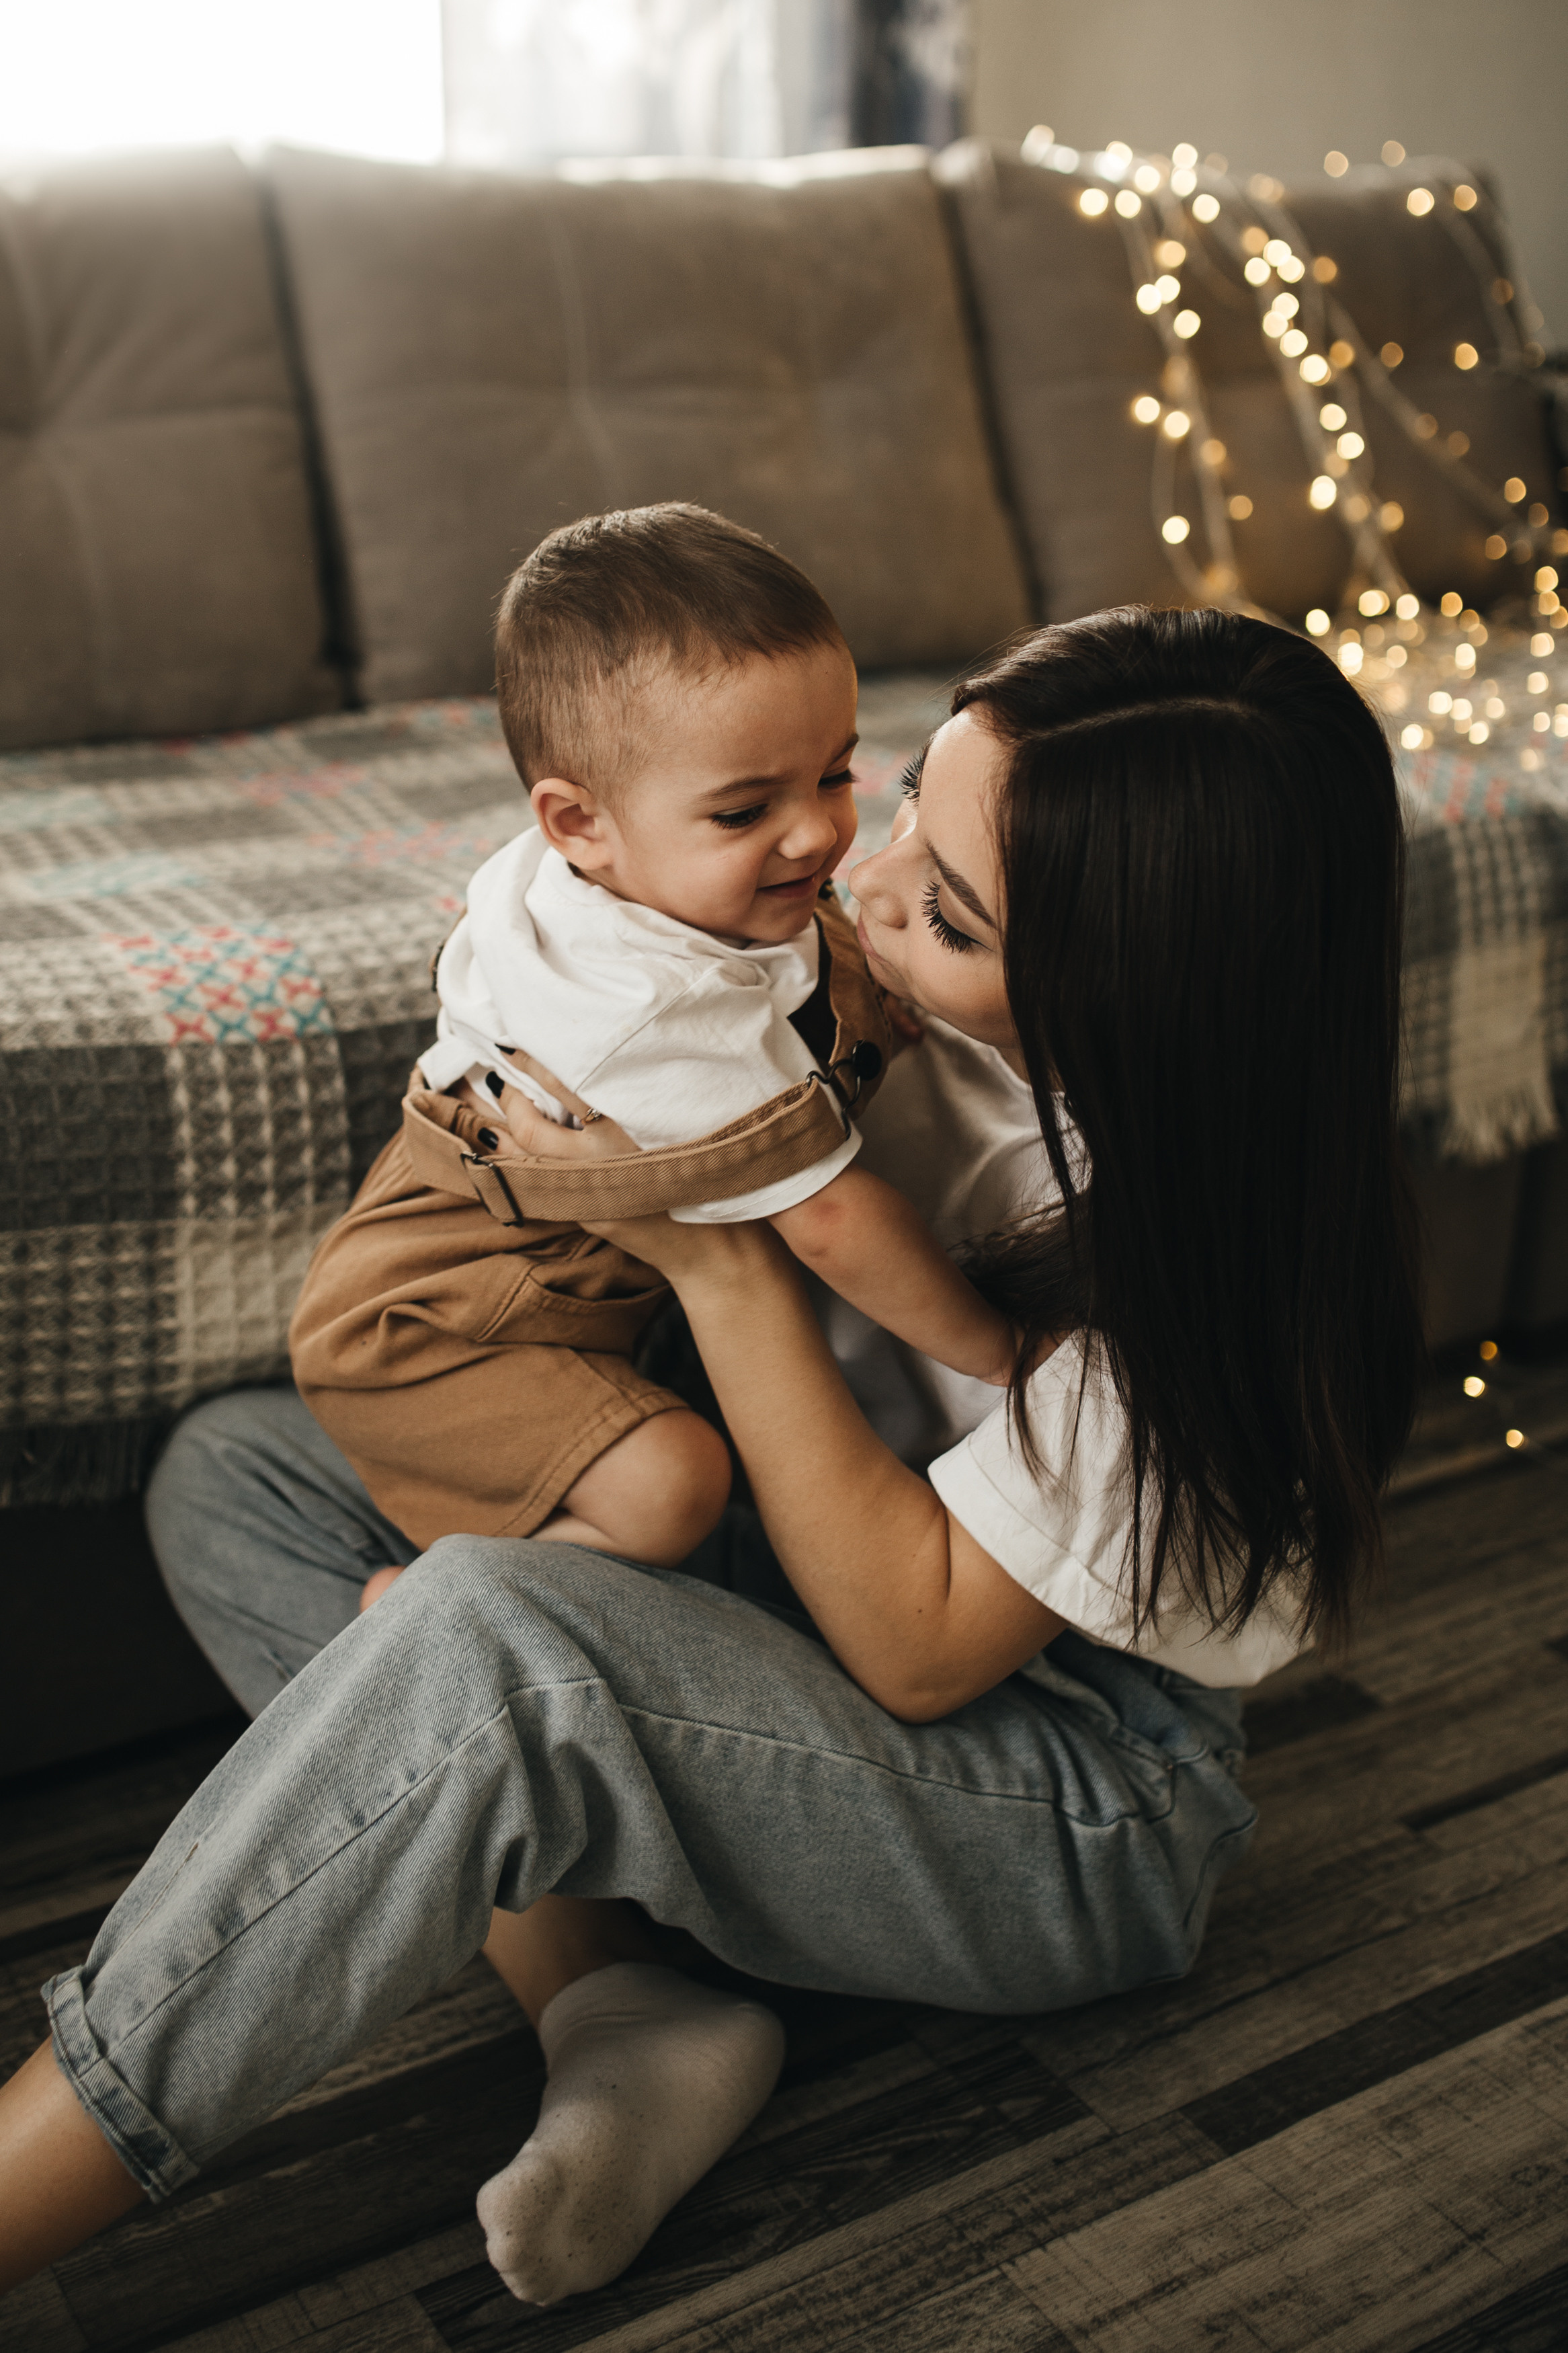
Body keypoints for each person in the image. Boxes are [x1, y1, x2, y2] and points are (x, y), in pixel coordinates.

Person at [0, 606, 1423, 2312]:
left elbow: (918, 1650)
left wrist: (711, 1245)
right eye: (906, 803)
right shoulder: (897, 998)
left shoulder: (1199, 1277)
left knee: (486, 1638)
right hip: (824, 1592)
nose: (866, 883)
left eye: (949, 913)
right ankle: (619, 2003)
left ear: (1139, 1002)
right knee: (247, 1473)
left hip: (1075, 1796)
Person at [289, 504, 1012, 1579]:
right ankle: (423, 1606)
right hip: (442, 1327)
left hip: (564, 1295)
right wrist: (1003, 1354)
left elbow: (812, 972)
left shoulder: (658, 878)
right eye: (742, 813)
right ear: (578, 824)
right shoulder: (649, 1009)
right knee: (671, 1485)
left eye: (832, 773)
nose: (817, 833)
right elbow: (829, 1222)